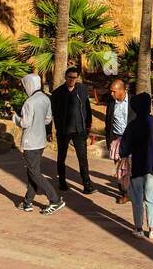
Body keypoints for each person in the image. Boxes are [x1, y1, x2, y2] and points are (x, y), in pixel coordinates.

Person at [12, 72, 63, 215]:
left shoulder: (29, 102)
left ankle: (55, 199)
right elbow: (47, 120)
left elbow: (25, 123)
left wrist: (15, 118)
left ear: (29, 85)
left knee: (34, 173)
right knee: (32, 172)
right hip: (40, 142)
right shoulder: (46, 99)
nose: (24, 88)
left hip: (30, 143)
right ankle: (27, 202)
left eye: (24, 86)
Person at [119, 92, 153, 238]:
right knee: (150, 198)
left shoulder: (133, 125)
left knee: (137, 198)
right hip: (151, 167)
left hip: (137, 166)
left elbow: (124, 148)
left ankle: (138, 228)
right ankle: (152, 229)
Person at [51, 66, 94, 194]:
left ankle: (87, 184)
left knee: (83, 158)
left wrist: (88, 124)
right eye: (70, 77)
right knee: (61, 158)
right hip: (63, 132)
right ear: (65, 77)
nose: (72, 80)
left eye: (75, 78)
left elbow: (87, 107)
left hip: (79, 130)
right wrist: (50, 130)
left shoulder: (82, 89)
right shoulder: (57, 93)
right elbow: (51, 113)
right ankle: (62, 182)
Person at [104, 77, 131, 204]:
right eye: (111, 91)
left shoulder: (132, 101)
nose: (111, 94)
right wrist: (109, 142)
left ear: (122, 90)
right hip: (117, 139)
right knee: (120, 169)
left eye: (114, 91)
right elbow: (108, 124)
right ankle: (124, 193)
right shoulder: (111, 103)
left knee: (133, 169)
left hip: (132, 140)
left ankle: (135, 192)